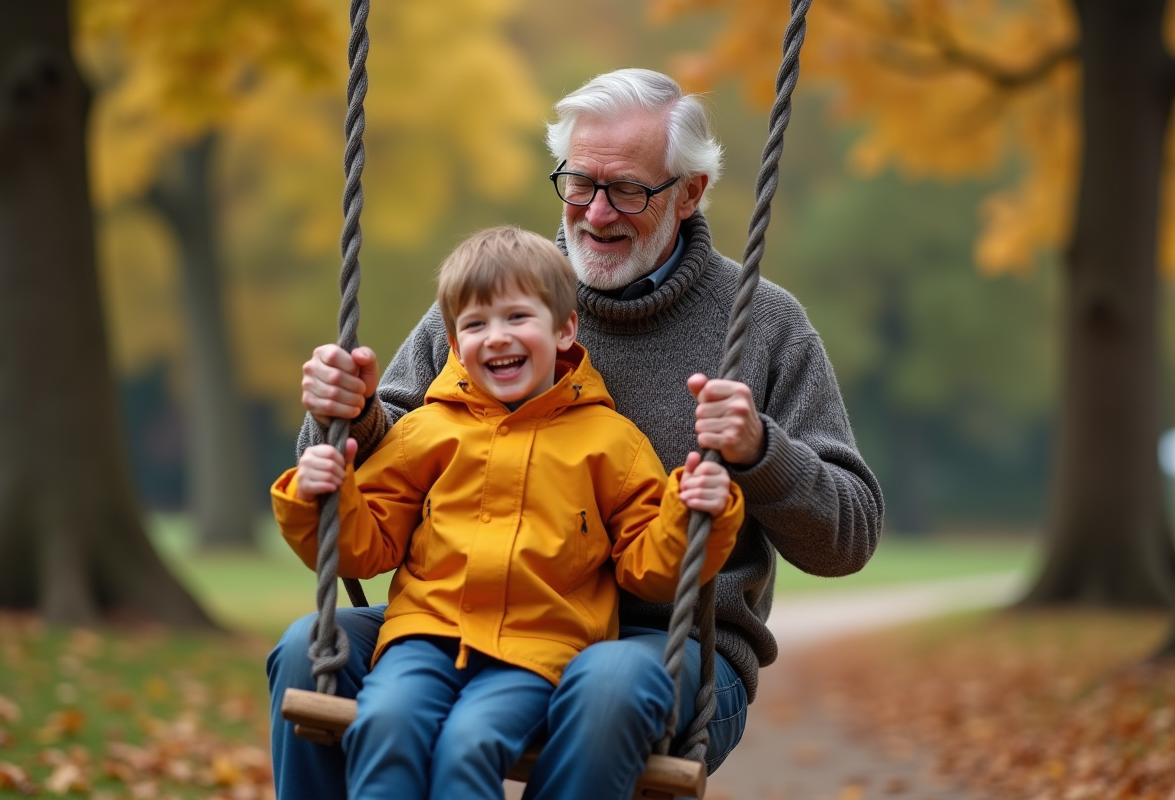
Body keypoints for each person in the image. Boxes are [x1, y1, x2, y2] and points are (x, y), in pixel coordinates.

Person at [269, 68, 884, 799]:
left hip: (661, 642)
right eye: (579, 183)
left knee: (606, 680)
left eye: (627, 189)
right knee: (308, 652)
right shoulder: (500, 299)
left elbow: (848, 538)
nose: (595, 213)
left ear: (689, 193)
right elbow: (403, 445)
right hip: (470, 613)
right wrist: (349, 411)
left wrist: (760, 451)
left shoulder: (764, 327)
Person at [271, 226, 744, 799]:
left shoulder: (611, 444)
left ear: (565, 328)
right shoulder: (425, 431)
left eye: (517, 318)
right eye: (474, 324)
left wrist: (693, 515)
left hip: (537, 652)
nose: (495, 338)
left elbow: (649, 569)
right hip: (422, 636)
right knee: (386, 725)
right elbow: (367, 545)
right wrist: (321, 496)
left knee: (468, 744)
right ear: (451, 341)